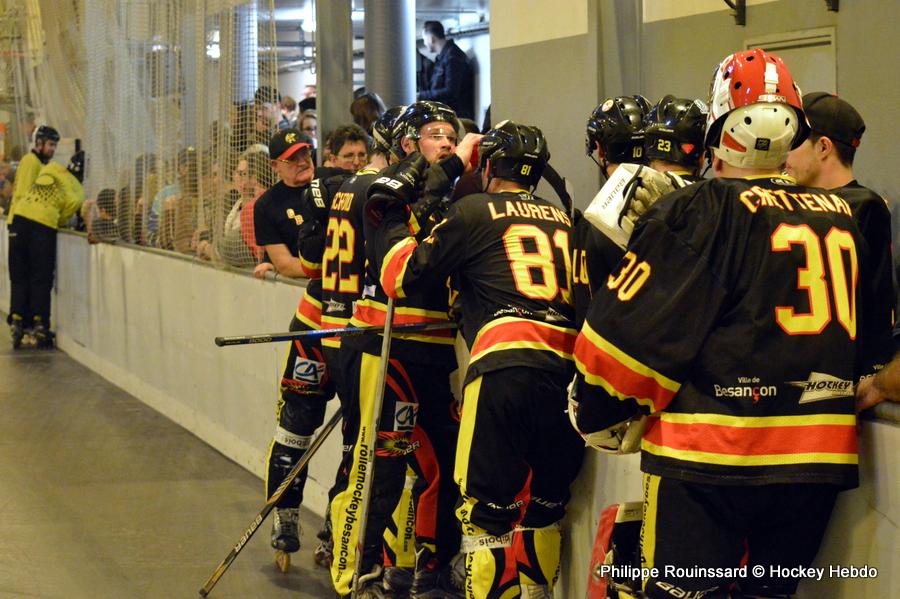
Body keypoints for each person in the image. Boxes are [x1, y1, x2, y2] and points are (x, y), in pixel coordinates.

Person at [572, 49, 892, 599]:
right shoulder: (845, 215)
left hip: (710, 457)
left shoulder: (700, 209)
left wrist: (595, 407)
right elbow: (871, 340)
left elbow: (624, 348)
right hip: (817, 460)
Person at [369, 120, 585, 598]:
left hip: (503, 367)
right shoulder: (565, 218)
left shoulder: (472, 211)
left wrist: (389, 220)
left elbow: (399, 277)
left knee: (486, 516)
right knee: (546, 506)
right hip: (567, 372)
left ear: (488, 167)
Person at [328, 100, 469, 598]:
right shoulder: (385, 190)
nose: (447, 143)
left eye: (452, 135)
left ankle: (427, 567)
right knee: (378, 465)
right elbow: (397, 273)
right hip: (385, 347)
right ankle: (355, 573)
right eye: (435, 134)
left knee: (441, 465)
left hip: (432, 349)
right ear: (409, 143)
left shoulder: (451, 194)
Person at [785, 92, 894, 372]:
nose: (785, 155)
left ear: (823, 147)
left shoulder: (864, 206)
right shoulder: (783, 201)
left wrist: (872, 371)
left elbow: (876, 302)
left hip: (839, 369)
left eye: (793, 142)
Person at [6, 130, 84, 349]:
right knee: (40, 277)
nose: (52, 149)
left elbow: (29, 194)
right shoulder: (33, 163)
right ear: (39, 143)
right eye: (50, 144)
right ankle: (40, 323)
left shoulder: (50, 168)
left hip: (19, 220)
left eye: (54, 146)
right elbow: (65, 213)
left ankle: (18, 319)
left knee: (19, 276)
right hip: (40, 225)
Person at [418, 21, 474, 119]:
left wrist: (421, 96)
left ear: (431, 38)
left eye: (425, 39)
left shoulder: (453, 57)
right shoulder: (444, 57)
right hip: (449, 115)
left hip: (456, 117)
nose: (424, 43)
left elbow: (451, 91)